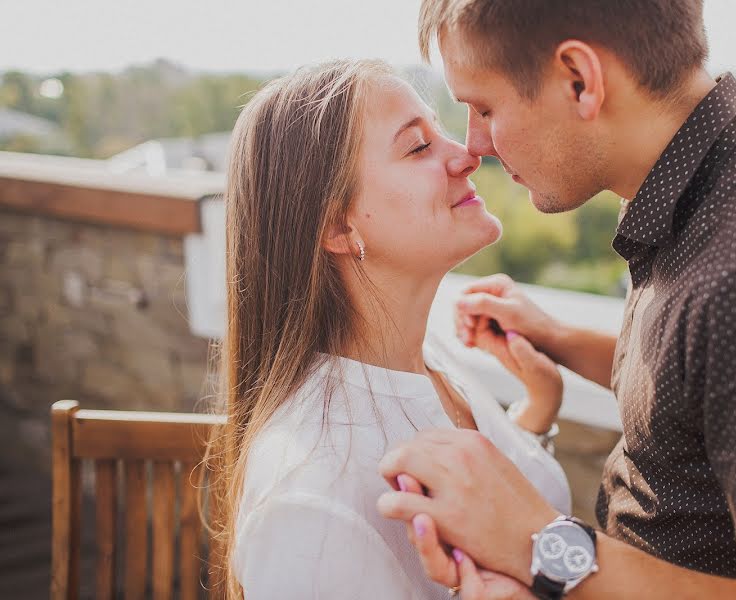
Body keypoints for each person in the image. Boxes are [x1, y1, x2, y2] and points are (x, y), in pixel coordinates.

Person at [377, 1, 736, 598]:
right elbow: (706, 388)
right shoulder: (700, 193)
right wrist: (563, 342)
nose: (476, 144)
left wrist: (541, 546)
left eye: (485, 107)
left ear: (580, 80)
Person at [203, 58, 574, 599]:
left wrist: (535, 415)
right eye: (418, 147)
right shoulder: (310, 504)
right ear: (336, 224)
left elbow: (501, 505)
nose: (468, 154)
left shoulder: (426, 361)